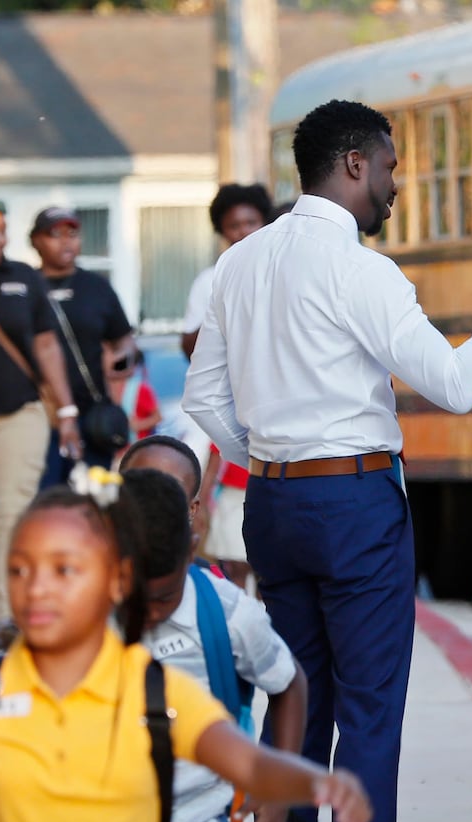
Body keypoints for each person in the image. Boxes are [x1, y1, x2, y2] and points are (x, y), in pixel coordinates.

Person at [182, 98, 472, 822]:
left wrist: (273, 459)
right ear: (353, 165)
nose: (394, 186)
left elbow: (204, 399)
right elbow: (458, 385)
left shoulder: (239, 263)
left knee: (296, 709)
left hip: (276, 506)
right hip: (353, 508)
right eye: (389, 168)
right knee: (372, 720)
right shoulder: (364, 271)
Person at [0, 466, 371, 822]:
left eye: (64, 570)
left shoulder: (173, 669)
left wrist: (295, 785)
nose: (40, 588)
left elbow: (249, 744)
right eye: (21, 571)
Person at [120, 465, 308, 822]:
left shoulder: (228, 614)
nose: (153, 611)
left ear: (191, 549)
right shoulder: (82, 621)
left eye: (164, 598)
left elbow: (291, 683)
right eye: (141, 597)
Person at [0, 193, 82, 651]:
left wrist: (68, 410)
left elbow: (47, 346)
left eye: (1, 229)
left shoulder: (22, 278)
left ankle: (6, 614)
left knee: (8, 511)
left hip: (22, 411)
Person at [182, 184, 291, 591]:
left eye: (251, 223)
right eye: (234, 226)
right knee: (232, 540)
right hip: (229, 408)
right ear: (222, 230)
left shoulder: (281, 271)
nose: (243, 232)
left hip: (274, 411)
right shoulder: (213, 278)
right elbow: (193, 350)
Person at [29, 205, 136, 487]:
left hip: (92, 416)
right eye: (55, 234)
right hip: (40, 417)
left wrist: (121, 362)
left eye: (72, 233)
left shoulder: (97, 287)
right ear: (36, 241)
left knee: (92, 500)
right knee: (43, 500)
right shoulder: (25, 287)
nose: (66, 241)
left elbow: (123, 340)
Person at [108, 348, 162, 448]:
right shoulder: (102, 389)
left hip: (136, 449)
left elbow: (158, 417)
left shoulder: (141, 389)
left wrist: (138, 425)